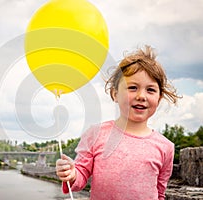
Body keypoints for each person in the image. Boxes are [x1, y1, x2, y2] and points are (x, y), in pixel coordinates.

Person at [56, 45, 181, 200]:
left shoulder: (166, 147)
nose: (141, 96)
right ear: (115, 94)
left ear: (159, 98)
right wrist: (72, 173)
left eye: (150, 90)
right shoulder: (96, 134)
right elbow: (80, 176)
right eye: (133, 87)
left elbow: (160, 193)